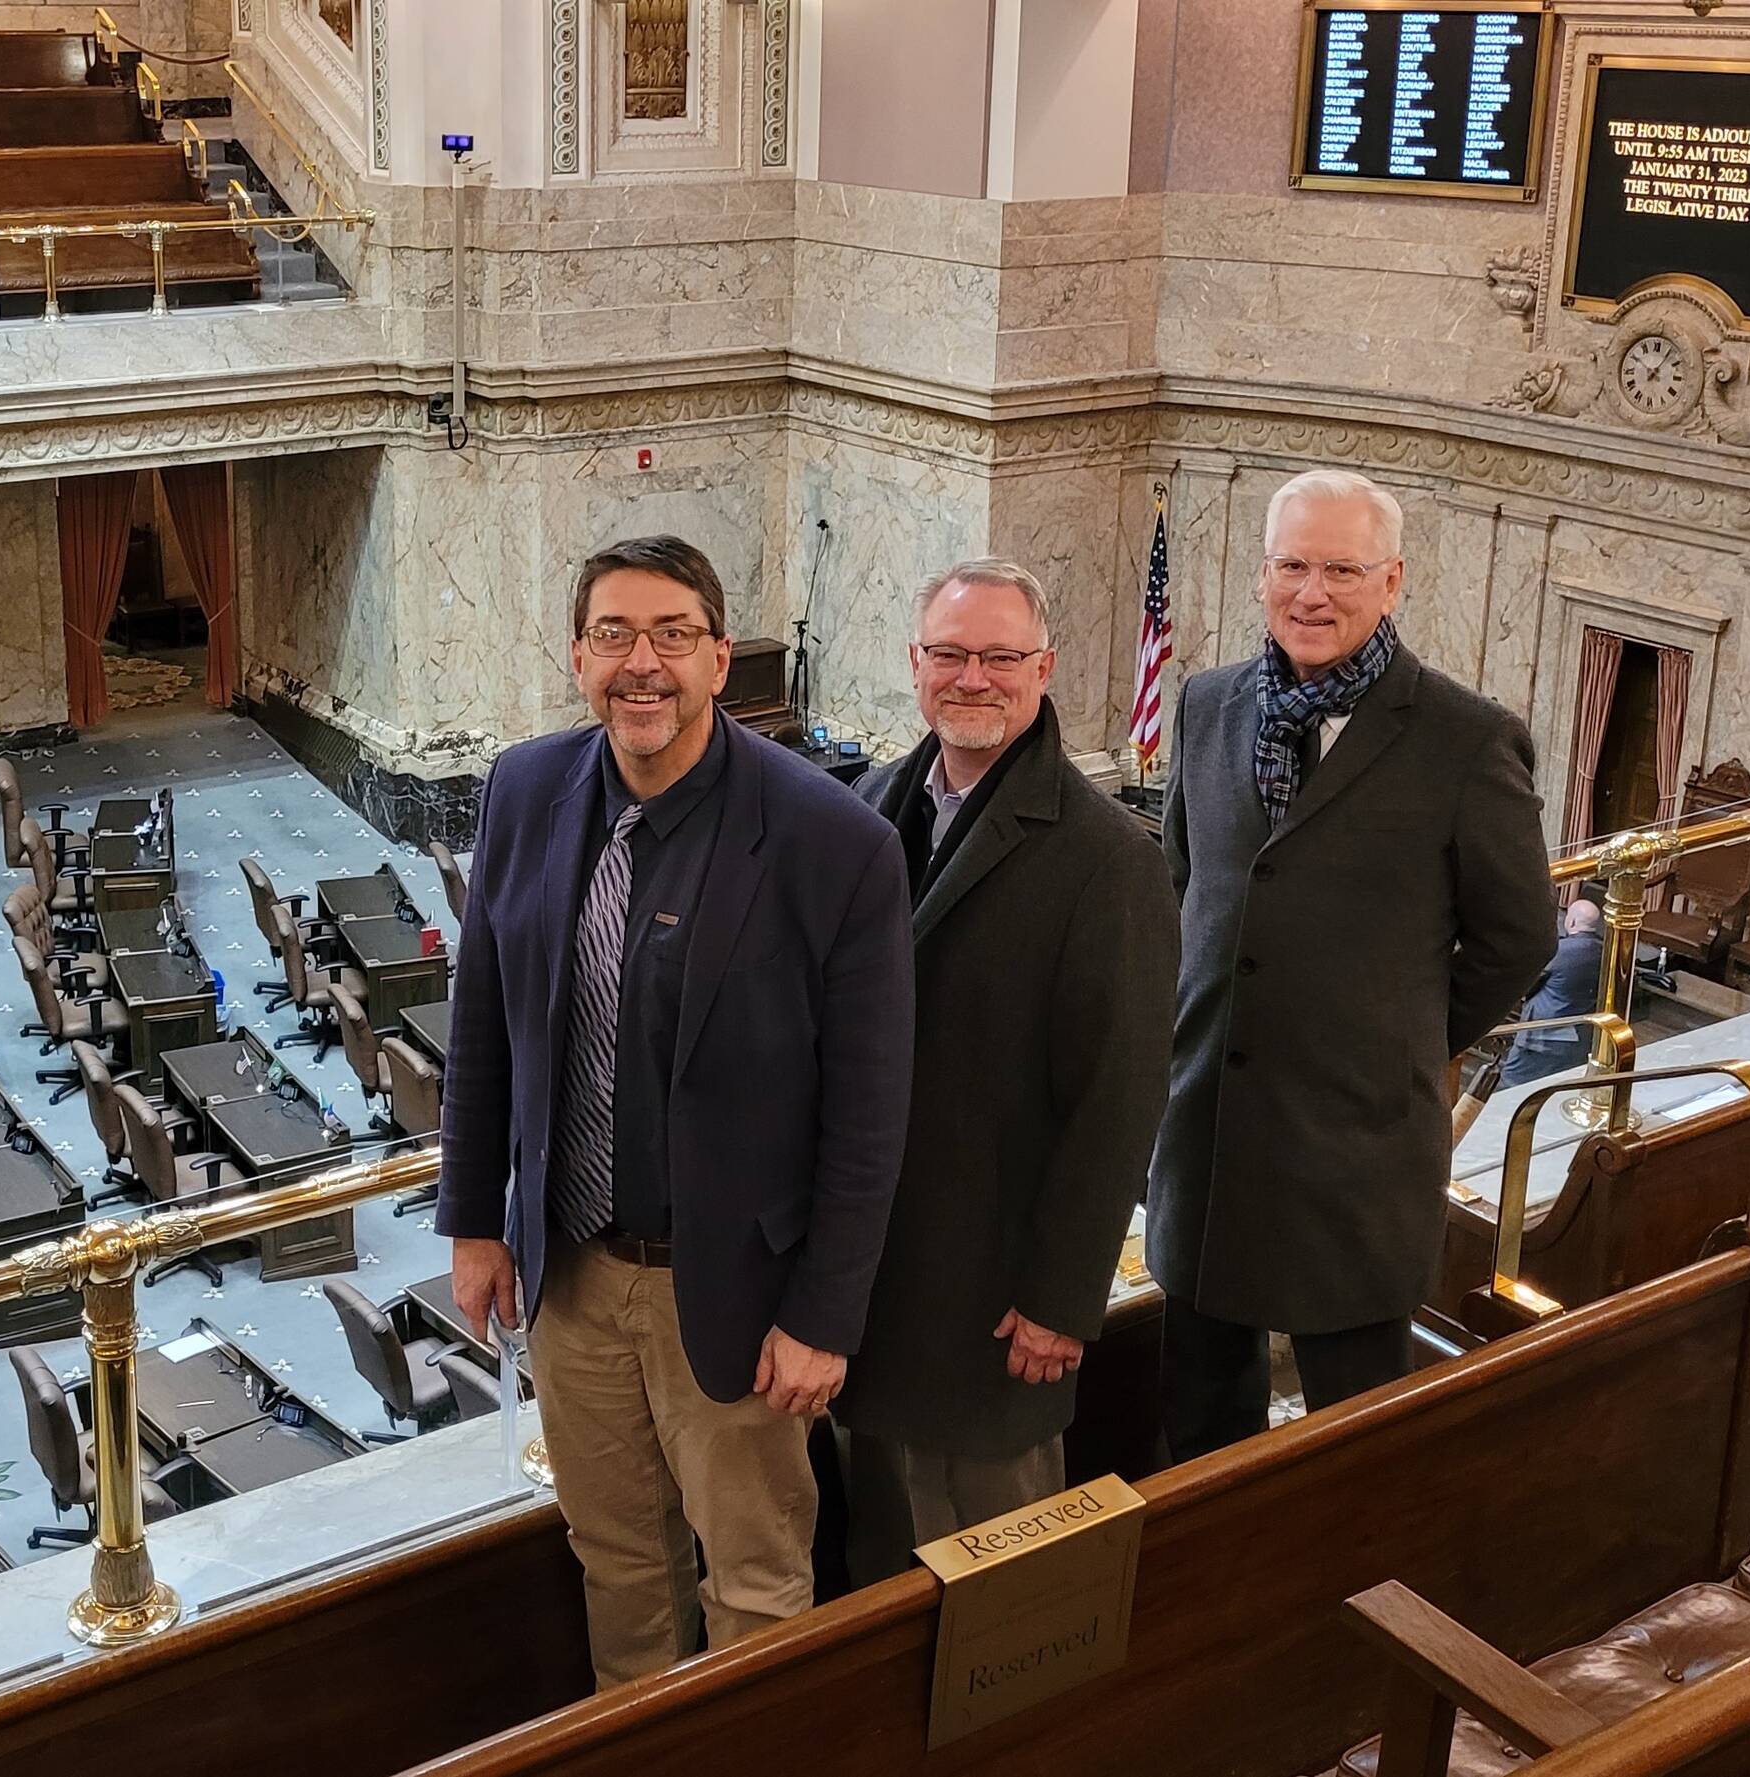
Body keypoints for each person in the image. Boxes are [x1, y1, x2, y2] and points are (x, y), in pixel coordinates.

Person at [435, 534, 915, 1687]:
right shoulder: (524, 788)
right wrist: (476, 1219)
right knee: (617, 1565)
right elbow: (485, 1016)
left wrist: (825, 1317)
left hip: (741, 1300)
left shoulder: (833, 841)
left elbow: (868, 1107)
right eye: (613, 636)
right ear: (575, 656)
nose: (639, 664)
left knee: (751, 1584)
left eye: (669, 636)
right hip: (574, 1277)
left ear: (717, 657)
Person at [1147, 468, 1555, 1462]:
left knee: (1356, 1443)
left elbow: (1518, 936)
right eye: (1290, 564)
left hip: (1356, 1155)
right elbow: (1182, 883)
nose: (1310, 591)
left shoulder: (1464, 739)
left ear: (1392, 581)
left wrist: (1404, 1041)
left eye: (1340, 568)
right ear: (1259, 576)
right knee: (1199, 1432)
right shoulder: (1202, 705)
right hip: (1209, 1141)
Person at [834, 561, 1177, 1582]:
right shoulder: (865, 811)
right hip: (871, 1283)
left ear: (1044, 669)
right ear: (914, 665)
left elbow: (1119, 1096)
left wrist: (1062, 1298)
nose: (971, 677)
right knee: (877, 1554)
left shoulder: (1107, 857)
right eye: (949, 654)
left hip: (996, 1301)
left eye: (998, 656)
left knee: (996, 1579)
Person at [1497, 899, 1605, 1088]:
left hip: (1542, 1037)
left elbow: (1526, 982)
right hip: (1579, 1038)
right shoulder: (1603, 952)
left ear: (1571, 922)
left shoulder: (1560, 952)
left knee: (1508, 1085)